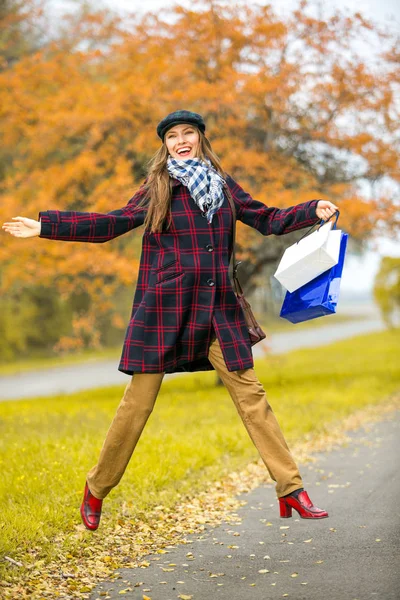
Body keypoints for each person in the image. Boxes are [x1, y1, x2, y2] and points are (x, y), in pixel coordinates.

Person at [2, 109, 339, 531]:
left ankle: (291, 490)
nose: (181, 140)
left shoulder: (223, 185)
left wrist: (312, 209)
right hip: (167, 308)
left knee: (253, 396)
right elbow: (111, 224)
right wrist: (46, 225)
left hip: (219, 310)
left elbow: (267, 219)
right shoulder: (159, 186)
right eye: (173, 136)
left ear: (200, 139)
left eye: (189, 133)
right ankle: (97, 488)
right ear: (165, 145)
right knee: (137, 403)